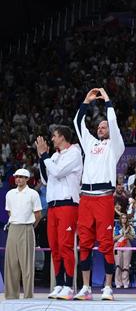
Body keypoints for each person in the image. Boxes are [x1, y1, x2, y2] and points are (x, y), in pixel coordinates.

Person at [73, 88, 125, 300]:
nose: (102, 128)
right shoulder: (89, 142)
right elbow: (77, 123)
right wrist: (86, 101)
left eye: (105, 126)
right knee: (84, 242)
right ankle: (85, 288)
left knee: (105, 243)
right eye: (100, 127)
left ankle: (108, 287)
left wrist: (108, 102)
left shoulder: (115, 146)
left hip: (104, 197)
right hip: (86, 197)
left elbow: (113, 124)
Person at [36, 126, 82, 300]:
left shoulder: (74, 153)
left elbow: (57, 171)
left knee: (65, 246)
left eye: (54, 136)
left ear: (63, 137)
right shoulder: (54, 156)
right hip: (53, 206)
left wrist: (45, 156)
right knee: (55, 247)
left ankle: (69, 286)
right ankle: (59, 284)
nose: (52, 139)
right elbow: (45, 179)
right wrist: (42, 157)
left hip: (68, 204)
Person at [3, 168, 42, 299]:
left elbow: (38, 215)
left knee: (27, 265)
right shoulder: (10, 194)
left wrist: (29, 226)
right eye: (16, 177)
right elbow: (9, 212)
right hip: (13, 228)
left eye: (21, 177)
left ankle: (28, 296)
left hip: (27, 228)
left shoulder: (33, 194)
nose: (18, 179)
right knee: (11, 263)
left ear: (27, 179)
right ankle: (11, 295)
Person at [114, 213, 136, 288]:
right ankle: (118, 283)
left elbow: (133, 238)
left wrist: (127, 234)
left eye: (125, 218)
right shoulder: (116, 227)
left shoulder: (130, 227)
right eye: (122, 218)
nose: (124, 219)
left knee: (126, 265)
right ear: (120, 219)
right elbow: (113, 238)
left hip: (127, 245)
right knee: (118, 264)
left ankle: (125, 282)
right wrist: (122, 234)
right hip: (118, 245)